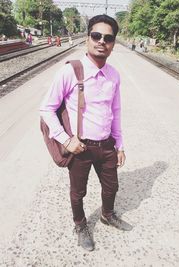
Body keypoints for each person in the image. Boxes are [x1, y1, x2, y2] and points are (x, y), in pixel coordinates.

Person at [40, 14, 132, 252]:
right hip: (80, 147)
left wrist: (119, 144)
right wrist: (65, 139)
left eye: (108, 38)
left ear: (113, 44)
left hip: (107, 145)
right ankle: (80, 225)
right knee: (78, 192)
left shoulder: (114, 75)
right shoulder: (70, 71)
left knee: (112, 187)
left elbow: (117, 111)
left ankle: (107, 215)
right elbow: (47, 109)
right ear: (87, 39)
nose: (102, 41)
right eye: (96, 35)